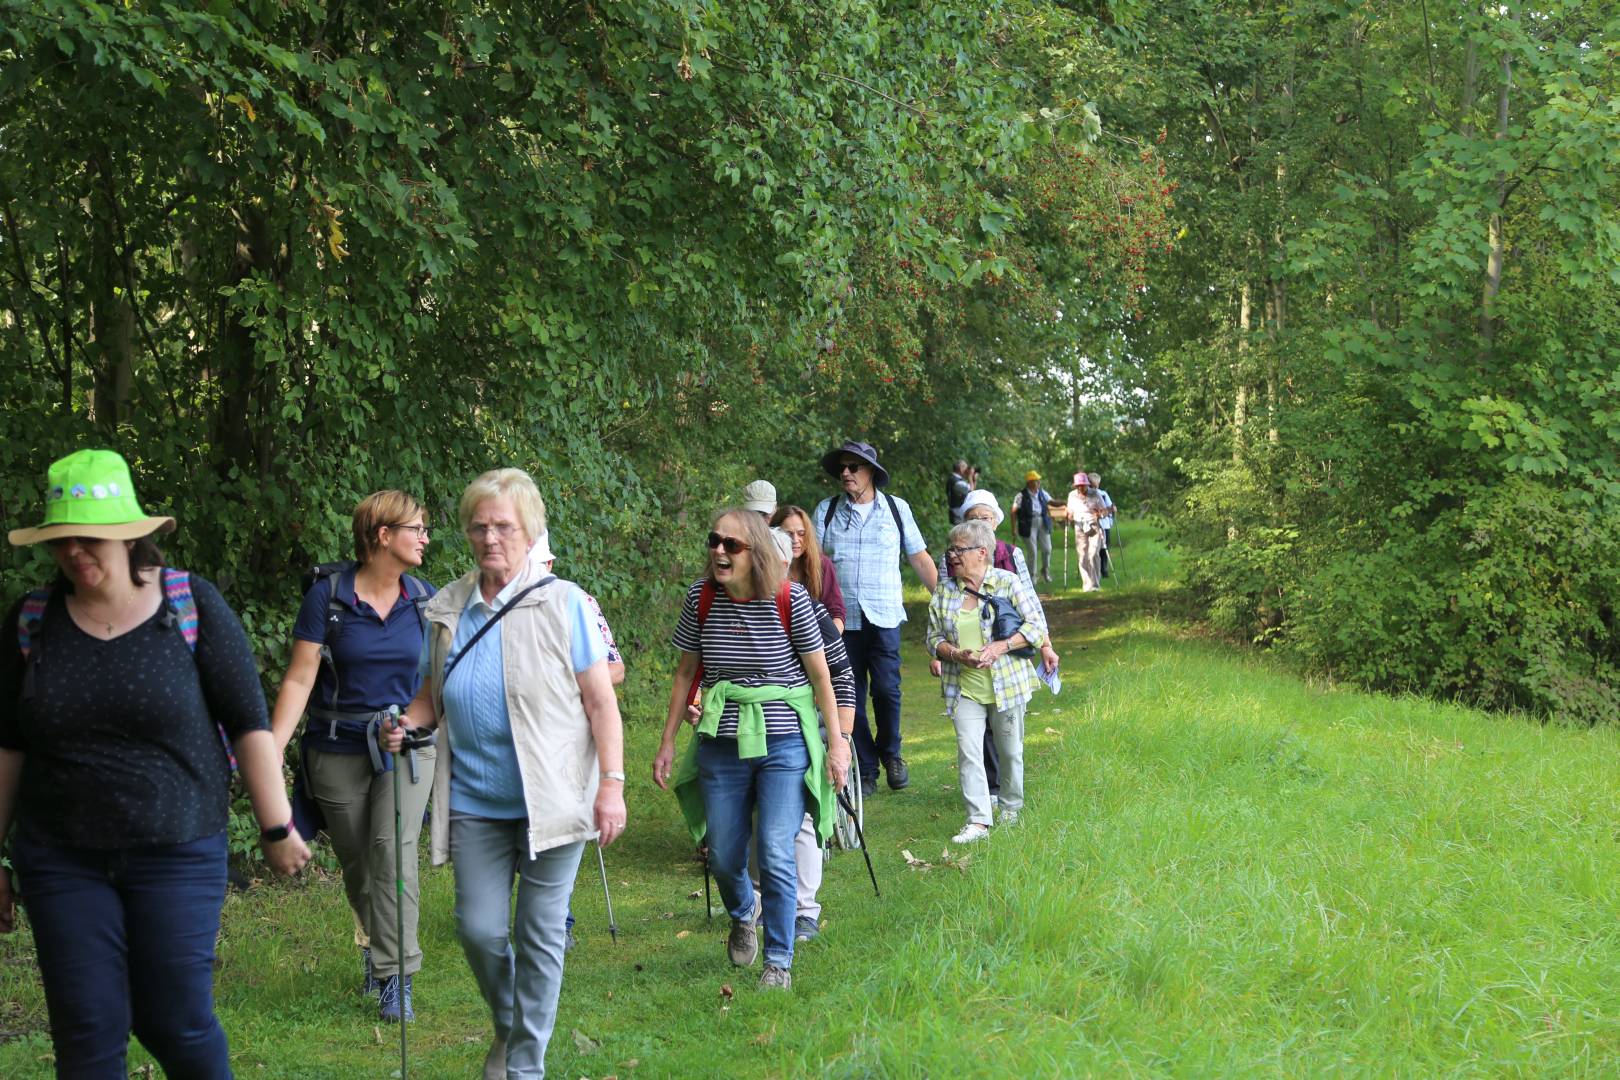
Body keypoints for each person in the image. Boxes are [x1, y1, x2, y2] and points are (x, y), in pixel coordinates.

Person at [0, 449, 311, 1078]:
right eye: (61, 540)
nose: (74, 552)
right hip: (61, 857)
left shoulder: (188, 605)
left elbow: (249, 724)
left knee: (175, 1019)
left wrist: (277, 827)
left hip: (178, 849)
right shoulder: (34, 621)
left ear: (130, 535)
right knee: (87, 1032)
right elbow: (8, 743)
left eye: (90, 537)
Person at [379, 468, 626, 1080]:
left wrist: (612, 786)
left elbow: (601, 702)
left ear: (530, 530)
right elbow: (433, 695)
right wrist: (402, 724)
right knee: (479, 930)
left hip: (555, 799)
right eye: (480, 526)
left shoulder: (564, 602)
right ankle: (513, 1029)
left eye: (505, 526)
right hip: (476, 801)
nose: (491, 538)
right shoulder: (448, 608)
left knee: (540, 935)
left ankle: (524, 1067)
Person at [652, 509, 850, 991]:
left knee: (776, 849)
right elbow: (685, 673)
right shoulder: (701, 599)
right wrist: (667, 740)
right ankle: (743, 912)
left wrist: (837, 744)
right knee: (721, 854)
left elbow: (822, 675)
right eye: (715, 540)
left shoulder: (791, 599)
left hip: (783, 741)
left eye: (732, 545)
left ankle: (778, 960)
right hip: (722, 741)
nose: (719, 550)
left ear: (756, 552)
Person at [269, 490, 437, 1021]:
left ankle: (396, 976)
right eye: (416, 529)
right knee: (360, 866)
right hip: (336, 747)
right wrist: (270, 752)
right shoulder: (329, 598)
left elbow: (434, 684)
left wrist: (408, 723)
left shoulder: (426, 600)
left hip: (407, 747)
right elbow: (300, 679)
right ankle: (377, 949)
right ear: (382, 536)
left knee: (394, 853)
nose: (425, 538)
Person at [812, 440, 938, 797]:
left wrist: (948, 603)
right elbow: (812, 565)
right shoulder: (827, 511)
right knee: (849, 694)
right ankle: (864, 767)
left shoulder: (896, 510)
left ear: (871, 473)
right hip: (839, 620)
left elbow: (919, 558)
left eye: (854, 467)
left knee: (886, 690)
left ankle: (892, 753)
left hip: (884, 615)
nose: (846, 473)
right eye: (843, 468)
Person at [925, 519, 1047, 844]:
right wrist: (954, 654)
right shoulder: (944, 591)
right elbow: (933, 638)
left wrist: (1001, 646)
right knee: (969, 751)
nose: (951, 555)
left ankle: (1010, 809)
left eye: (958, 549)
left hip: (1007, 685)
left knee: (1009, 752)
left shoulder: (1007, 583)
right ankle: (978, 821)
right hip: (964, 687)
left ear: (981, 552)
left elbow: (1037, 626)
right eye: (950, 549)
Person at [933, 491, 1059, 801]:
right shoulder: (951, 564)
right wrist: (945, 652)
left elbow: (1032, 609)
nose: (980, 522)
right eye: (974, 518)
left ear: (995, 524)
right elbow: (938, 619)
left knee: (1007, 739)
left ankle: (1009, 802)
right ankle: (987, 796)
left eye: (985, 518)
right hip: (966, 667)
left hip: (1008, 652)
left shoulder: (1010, 559)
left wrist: (1045, 645)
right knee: (975, 739)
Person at [770, 504, 846, 632]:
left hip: (816, 643)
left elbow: (837, 613)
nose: (795, 540)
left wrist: (827, 644)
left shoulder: (823, 564)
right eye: (788, 534)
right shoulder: (765, 567)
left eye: (801, 533)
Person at [1009, 471, 1055, 583]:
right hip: (1028, 524)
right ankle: (1032, 576)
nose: (1039, 482)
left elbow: (1052, 502)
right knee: (1032, 551)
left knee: (1047, 549)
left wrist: (1064, 503)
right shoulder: (1021, 495)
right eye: (1036, 481)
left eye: (1038, 480)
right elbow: (1013, 512)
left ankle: (1045, 571)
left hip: (1043, 522)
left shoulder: (1042, 493)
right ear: (1029, 482)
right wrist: (1014, 528)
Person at [1067, 472, 1106, 591]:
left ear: (1087, 484)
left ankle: (1095, 584)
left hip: (1094, 526)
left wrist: (1100, 514)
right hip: (1079, 526)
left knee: (1093, 553)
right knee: (1083, 555)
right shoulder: (1072, 495)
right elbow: (1069, 512)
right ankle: (1087, 584)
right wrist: (1069, 515)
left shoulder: (1095, 494)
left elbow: (1104, 511)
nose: (1081, 487)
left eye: (1083, 485)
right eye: (1079, 485)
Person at [1091, 473, 1116, 578]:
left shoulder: (1104, 494)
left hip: (1105, 524)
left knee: (1104, 548)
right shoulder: (1087, 495)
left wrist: (1113, 510)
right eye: (1092, 485)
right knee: (1094, 548)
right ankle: (1094, 570)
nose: (1094, 487)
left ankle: (1104, 569)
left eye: (1095, 485)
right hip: (1093, 524)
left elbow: (1110, 507)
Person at [944, 459, 972, 524]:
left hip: (957, 511)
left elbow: (970, 489)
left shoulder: (954, 479)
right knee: (962, 533)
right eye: (965, 467)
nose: (967, 470)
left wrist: (973, 479)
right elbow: (971, 491)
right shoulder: (956, 481)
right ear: (960, 468)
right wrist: (970, 477)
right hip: (957, 512)